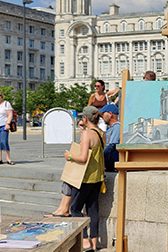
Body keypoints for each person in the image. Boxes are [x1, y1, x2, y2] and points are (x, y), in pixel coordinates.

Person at [65, 106, 105, 251]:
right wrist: (84, 127)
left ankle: (85, 240)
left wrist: (69, 156)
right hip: (97, 177)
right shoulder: (101, 133)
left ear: (85, 118)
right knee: (93, 209)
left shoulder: (87, 134)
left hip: (84, 177)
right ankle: (94, 243)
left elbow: (83, 158)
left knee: (75, 208)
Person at [99, 104, 120, 172]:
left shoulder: (117, 127)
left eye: (103, 114)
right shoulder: (112, 128)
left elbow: (111, 147)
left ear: (110, 114)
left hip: (111, 164)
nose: (102, 117)